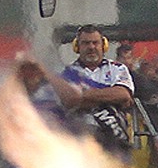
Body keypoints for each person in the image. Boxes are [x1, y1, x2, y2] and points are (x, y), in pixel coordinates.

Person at [57, 24, 136, 160]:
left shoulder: (117, 68)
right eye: (86, 43)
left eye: (95, 43)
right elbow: (68, 100)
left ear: (103, 45)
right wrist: (108, 95)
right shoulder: (68, 73)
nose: (91, 47)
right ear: (77, 47)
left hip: (116, 142)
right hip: (81, 145)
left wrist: (82, 95)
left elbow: (123, 95)